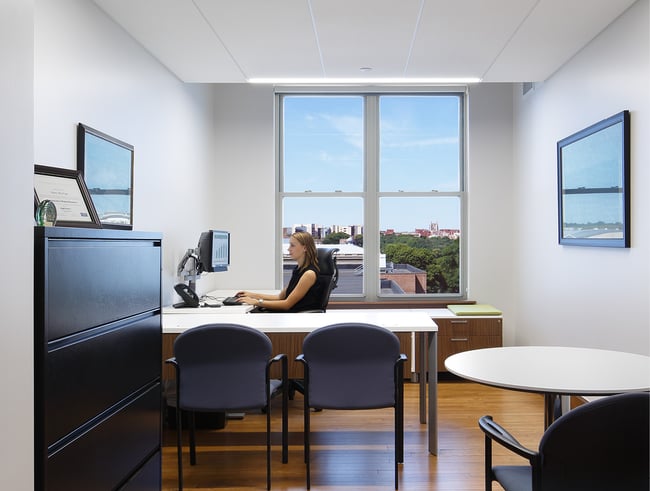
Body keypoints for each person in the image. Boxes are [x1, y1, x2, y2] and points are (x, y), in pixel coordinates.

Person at [235, 231, 323, 312]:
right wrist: (251, 295)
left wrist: (256, 302)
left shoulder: (309, 274)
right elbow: (280, 297)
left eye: (292, 245)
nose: (289, 249)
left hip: (296, 319)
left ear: (305, 248)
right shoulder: (298, 270)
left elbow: (286, 304)